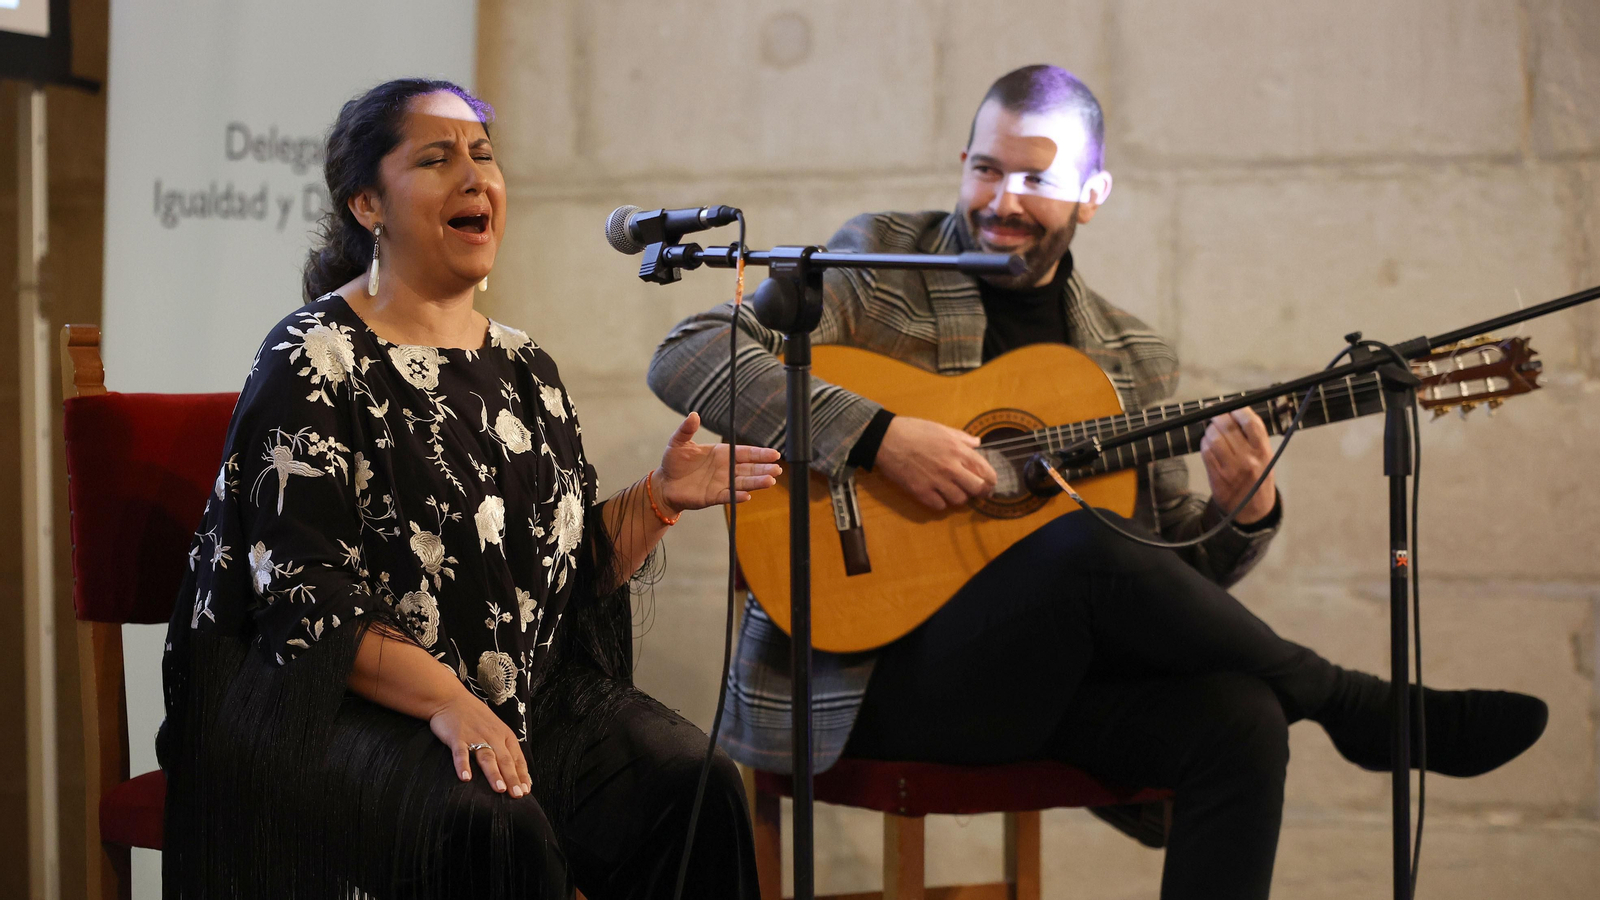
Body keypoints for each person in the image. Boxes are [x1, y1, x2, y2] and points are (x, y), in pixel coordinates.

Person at [647, 65, 1549, 899]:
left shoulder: (1129, 353)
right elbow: (689, 353)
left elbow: (1159, 587)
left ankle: (1331, 706)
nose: (1005, 200)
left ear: (1093, 193)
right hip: (870, 681)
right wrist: (879, 438)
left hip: (1034, 685)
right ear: (962, 163)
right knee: (1077, 540)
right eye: (988, 170)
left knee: (1240, 715)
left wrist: (1241, 515)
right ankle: (1352, 703)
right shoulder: (879, 262)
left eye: (1037, 178)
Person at [157, 78, 779, 899]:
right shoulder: (314, 355)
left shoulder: (525, 367)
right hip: (335, 712)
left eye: (484, 156)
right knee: (494, 826)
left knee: (689, 786)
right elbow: (309, 597)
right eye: (438, 158)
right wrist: (452, 703)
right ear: (367, 203)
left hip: (512, 692)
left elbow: (561, 582)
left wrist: (657, 498)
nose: (475, 177)